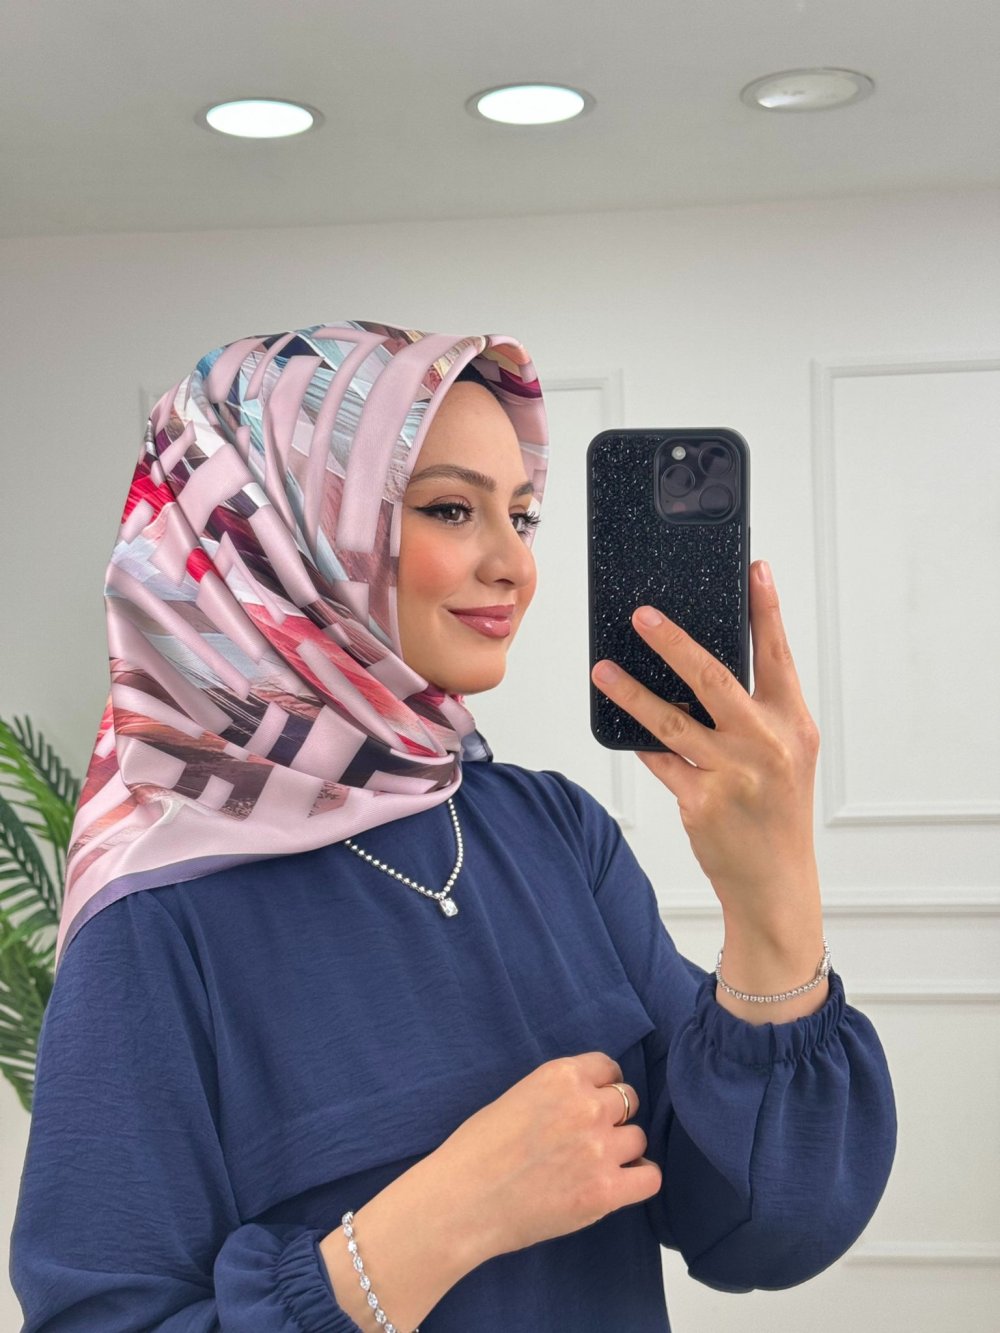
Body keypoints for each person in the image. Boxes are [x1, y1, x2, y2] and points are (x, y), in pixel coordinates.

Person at [10, 321, 896, 1332]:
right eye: (449, 508)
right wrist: (439, 1222)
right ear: (275, 541)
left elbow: (762, 1226)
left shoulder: (552, 833)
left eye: (522, 514)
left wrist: (772, 894)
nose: (516, 564)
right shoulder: (153, 919)